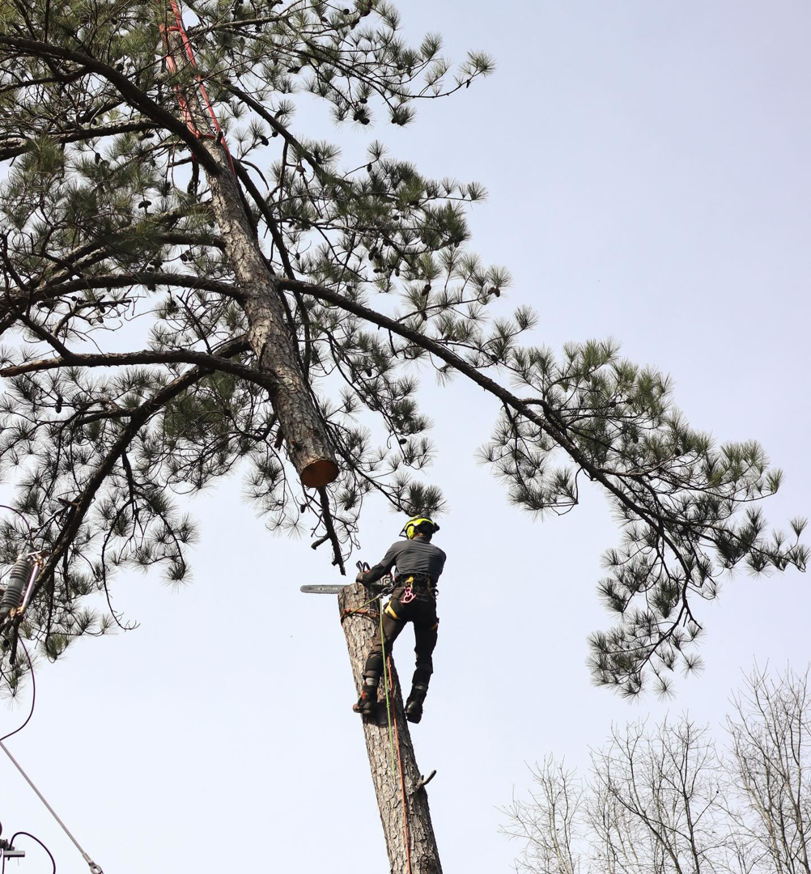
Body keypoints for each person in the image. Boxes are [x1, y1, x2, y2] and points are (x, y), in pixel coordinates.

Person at [353, 516, 446, 724]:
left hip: (403, 598)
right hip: (427, 604)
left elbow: (377, 572)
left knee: (380, 646)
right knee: (424, 657)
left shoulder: (400, 546)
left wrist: (362, 577)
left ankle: (368, 696)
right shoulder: (440, 554)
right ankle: (416, 702)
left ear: (412, 530)